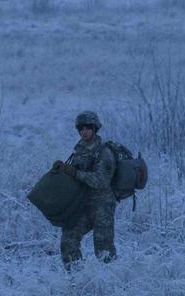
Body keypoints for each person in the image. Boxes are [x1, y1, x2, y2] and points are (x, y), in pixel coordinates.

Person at [53, 111, 117, 268]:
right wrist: (61, 173)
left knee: (103, 250)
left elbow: (101, 181)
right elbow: (75, 178)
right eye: (81, 128)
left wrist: (75, 173)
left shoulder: (104, 152)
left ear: (95, 128)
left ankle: (110, 282)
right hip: (82, 205)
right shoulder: (78, 152)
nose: (84, 131)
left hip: (102, 206)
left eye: (88, 127)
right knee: (68, 240)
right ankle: (77, 279)